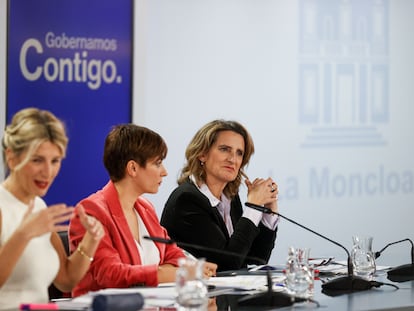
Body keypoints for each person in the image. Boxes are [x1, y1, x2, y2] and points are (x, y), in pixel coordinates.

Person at [69, 124, 217, 297]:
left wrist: (188, 268)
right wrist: (165, 274)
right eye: (158, 163)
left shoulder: (145, 208)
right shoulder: (91, 211)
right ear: (132, 168)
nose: (164, 172)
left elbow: (174, 255)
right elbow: (110, 274)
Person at [0, 108, 104, 309]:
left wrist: (91, 240)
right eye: (37, 160)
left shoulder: (38, 206)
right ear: (12, 158)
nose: (48, 171)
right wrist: (22, 235)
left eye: (55, 161)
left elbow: (66, 279)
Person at [160, 119, 280, 271]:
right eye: (224, 149)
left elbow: (257, 258)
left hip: (228, 292)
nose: (232, 159)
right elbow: (226, 265)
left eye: (239, 153)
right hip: (198, 292)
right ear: (202, 154)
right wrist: (253, 207)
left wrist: (269, 211)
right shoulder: (187, 200)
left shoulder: (230, 197)